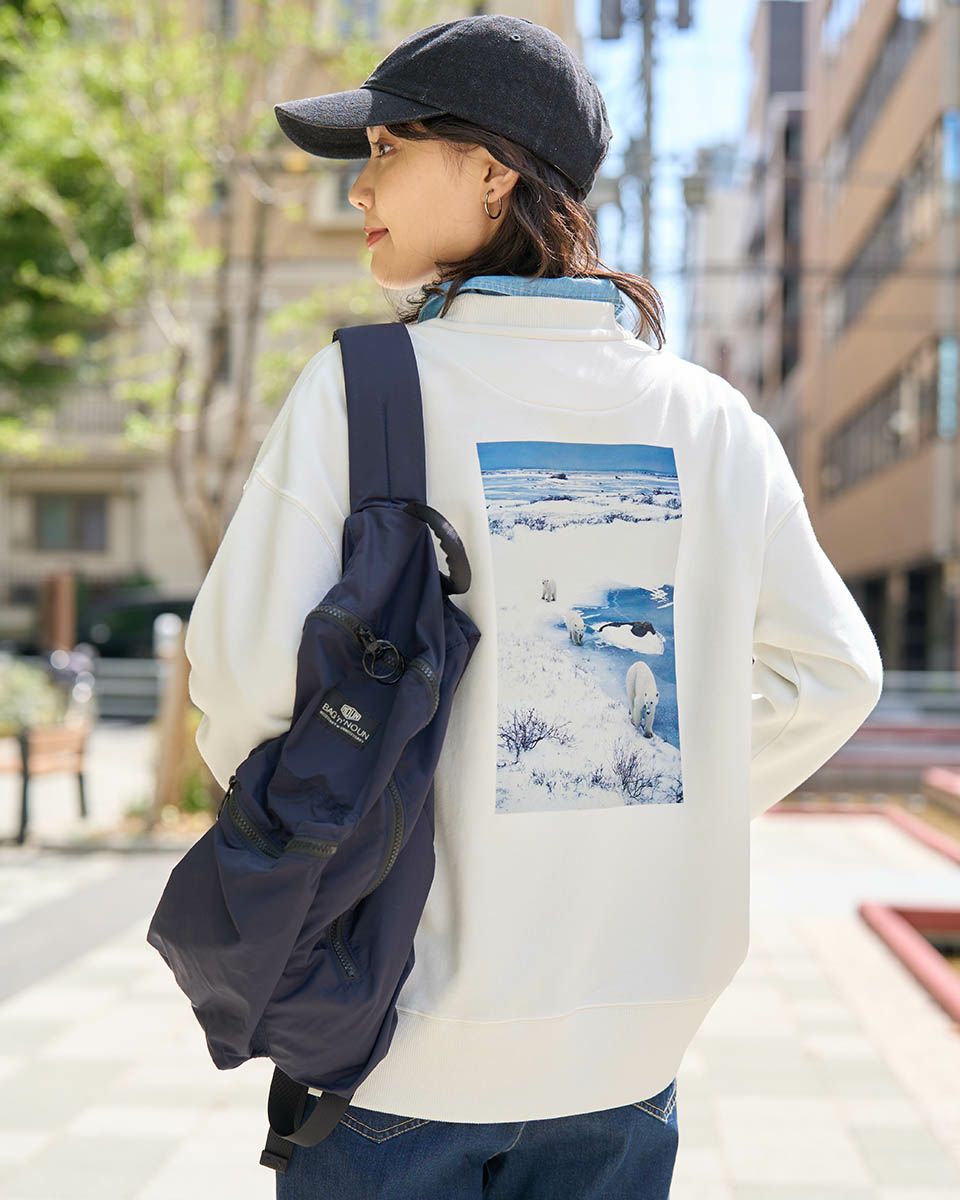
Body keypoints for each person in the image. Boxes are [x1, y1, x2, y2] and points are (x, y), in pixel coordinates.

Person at [183, 15, 884, 1200]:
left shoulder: (367, 390)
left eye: (389, 148)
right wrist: (654, 800)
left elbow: (245, 683)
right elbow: (832, 676)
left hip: (403, 1041)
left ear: (492, 171)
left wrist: (351, 829)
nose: (361, 187)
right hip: (631, 1053)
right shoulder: (713, 421)